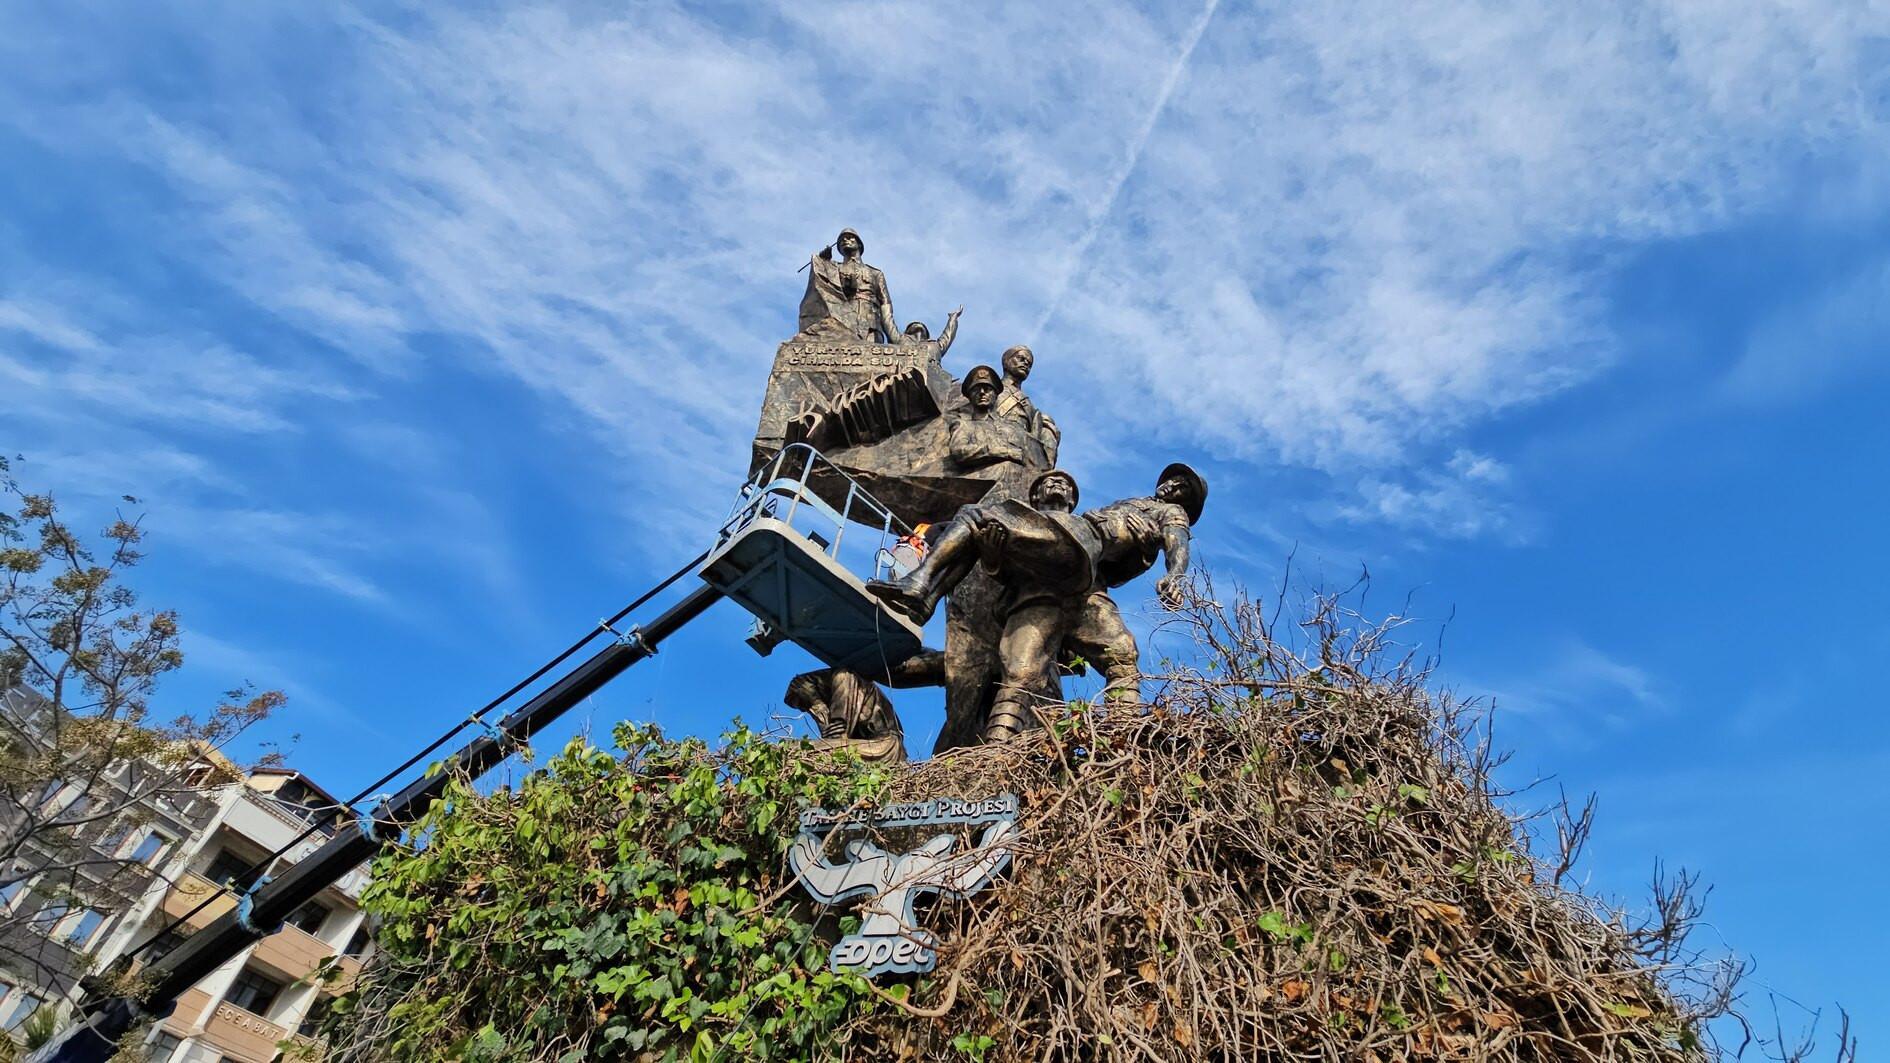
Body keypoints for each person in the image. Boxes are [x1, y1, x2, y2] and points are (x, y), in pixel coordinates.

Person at [1062, 463, 1209, 704]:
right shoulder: (1128, 502)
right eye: (1172, 480)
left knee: (1121, 652)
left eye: (1182, 487)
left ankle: (1120, 730)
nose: (1172, 485)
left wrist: (1175, 575)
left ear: (1187, 503)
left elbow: (1178, 544)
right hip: (1072, 548)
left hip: (1088, 579)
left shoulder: (1172, 512)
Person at [797, 228, 899, 342]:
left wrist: (895, 337)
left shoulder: (875, 273)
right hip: (842, 323)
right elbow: (823, 292)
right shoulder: (833, 269)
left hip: (871, 326)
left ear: (859, 244)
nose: (845, 240)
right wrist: (822, 262)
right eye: (841, 240)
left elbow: (886, 306)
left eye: (850, 237)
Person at [945, 365, 1033, 473]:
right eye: (976, 390)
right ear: (969, 396)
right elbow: (959, 451)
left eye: (987, 389)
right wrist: (1004, 452)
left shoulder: (1008, 429)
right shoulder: (963, 425)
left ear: (996, 395)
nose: (982, 392)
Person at [992, 345, 1060, 465]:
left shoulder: (1030, 406)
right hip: (994, 437)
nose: (1026, 364)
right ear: (1006, 361)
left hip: (1022, 446)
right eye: (1021, 359)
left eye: (1029, 363)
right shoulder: (990, 388)